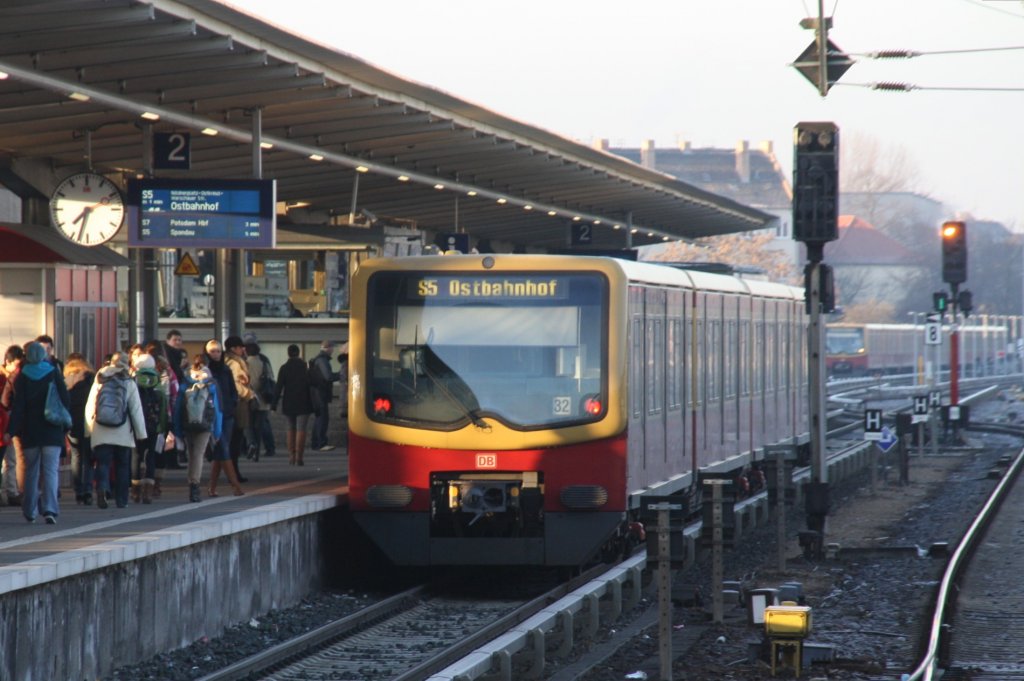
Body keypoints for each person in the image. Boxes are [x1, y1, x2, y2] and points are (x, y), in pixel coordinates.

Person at [5, 341, 70, 523]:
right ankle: (49, 509)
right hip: (52, 430)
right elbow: (65, 399)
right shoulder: (53, 372)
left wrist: (11, 430)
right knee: (50, 471)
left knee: (31, 471)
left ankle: (30, 510)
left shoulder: (22, 377)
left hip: (30, 432)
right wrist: (65, 424)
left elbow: (18, 407)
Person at [86, 352, 147, 509]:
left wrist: (88, 430)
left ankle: (102, 489)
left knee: (103, 463)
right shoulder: (128, 381)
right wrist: (141, 433)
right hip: (122, 431)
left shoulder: (100, 379)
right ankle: (122, 500)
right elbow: (136, 410)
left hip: (100, 429)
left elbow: (90, 405)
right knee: (122, 465)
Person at [173, 355, 224, 502]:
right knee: (198, 454)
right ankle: (194, 486)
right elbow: (217, 410)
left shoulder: (185, 384)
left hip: (187, 424)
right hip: (205, 425)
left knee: (192, 454)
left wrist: (177, 430)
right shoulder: (211, 384)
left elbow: (178, 409)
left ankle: (192, 483)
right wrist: (217, 431)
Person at [204, 340, 244, 497]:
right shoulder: (205, 370)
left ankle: (212, 487)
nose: (216, 354)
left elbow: (233, 390)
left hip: (226, 414)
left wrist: (232, 404)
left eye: (218, 351)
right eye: (212, 351)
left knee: (221, 450)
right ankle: (235, 485)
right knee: (223, 448)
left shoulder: (226, 369)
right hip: (212, 415)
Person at [131, 353, 167, 504]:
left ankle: (135, 490)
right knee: (151, 456)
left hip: (136, 425)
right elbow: (164, 406)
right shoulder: (158, 381)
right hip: (153, 425)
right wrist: (162, 427)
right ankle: (148, 492)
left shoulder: (133, 380)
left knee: (136, 456)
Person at [273, 344, 313, 466]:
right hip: (304, 402)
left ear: (288, 353)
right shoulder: (305, 367)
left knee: (290, 428)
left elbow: (279, 386)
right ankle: (299, 457)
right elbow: (312, 383)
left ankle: (291, 455)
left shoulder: (284, 368)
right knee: (301, 429)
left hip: (288, 402)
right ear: (298, 353)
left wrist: (274, 404)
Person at [64, 353, 96, 505]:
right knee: (88, 458)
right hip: (88, 423)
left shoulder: (66, 381)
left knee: (76, 456)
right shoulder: (91, 379)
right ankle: (88, 489)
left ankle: (78, 490)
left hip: (72, 422)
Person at [223, 336, 252, 482]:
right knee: (235, 439)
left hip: (230, 403)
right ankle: (233, 473)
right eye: (241, 347)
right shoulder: (234, 363)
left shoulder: (227, 360)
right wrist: (248, 395)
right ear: (233, 348)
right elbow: (237, 384)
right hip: (238, 404)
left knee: (231, 440)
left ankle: (232, 472)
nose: (243, 349)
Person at [245, 340, 276, 460]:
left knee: (248, 425)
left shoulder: (244, 364)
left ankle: (251, 443)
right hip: (263, 400)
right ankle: (256, 453)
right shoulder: (264, 363)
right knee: (259, 427)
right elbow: (271, 379)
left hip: (249, 399)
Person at [0, 345, 23, 506]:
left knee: (11, 459)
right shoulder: (5, 378)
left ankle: (12, 491)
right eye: (16, 364)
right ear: (7, 362)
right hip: (4, 421)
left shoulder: (17, 377)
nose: (18, 368)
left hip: (8, 422)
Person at [309, 340, 339, 451]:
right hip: (320, 393)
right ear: (328, 348)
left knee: (319, 418)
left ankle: (316, 443)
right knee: (323, 418)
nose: (333, 351)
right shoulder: (322, 361)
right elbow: (328, 377)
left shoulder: (319, 359)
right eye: (332, 348)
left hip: (317, 392)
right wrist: (341, 374)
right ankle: (321, 443)